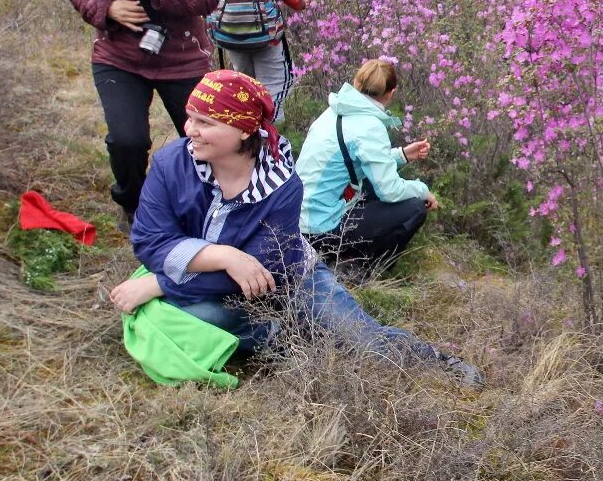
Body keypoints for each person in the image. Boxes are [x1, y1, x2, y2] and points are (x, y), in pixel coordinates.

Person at [107, 70, 481, 387]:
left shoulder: (282, 184)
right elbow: (149, 241)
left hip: (292, 277)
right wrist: (224, 255)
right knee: (196, 316)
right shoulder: (172, 164)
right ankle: (278, 336)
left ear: (242, 130)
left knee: (362, 340)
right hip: (212, 283)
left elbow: (264, 268)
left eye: (205, 122)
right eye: (190, 118)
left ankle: (435, 362)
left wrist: (161, 282)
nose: (190, 131)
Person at [42, 0, 219, 230]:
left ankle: (219, 207)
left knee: (208, 140)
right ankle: (135, 205)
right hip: (119, 54)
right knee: (127, 141)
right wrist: (108, 11)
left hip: (181, 54)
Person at [296, 59, 436, 276]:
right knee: (414, 207)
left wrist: (402, 155)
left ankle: (344, 257)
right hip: (321, 229)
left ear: (356, 83)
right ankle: (358, 265)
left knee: (374, 183)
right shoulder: (369, 126)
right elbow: (390, 191)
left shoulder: (334, 111)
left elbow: (357, 159)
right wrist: (422, 189)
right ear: (391, 93)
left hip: (299, 220)